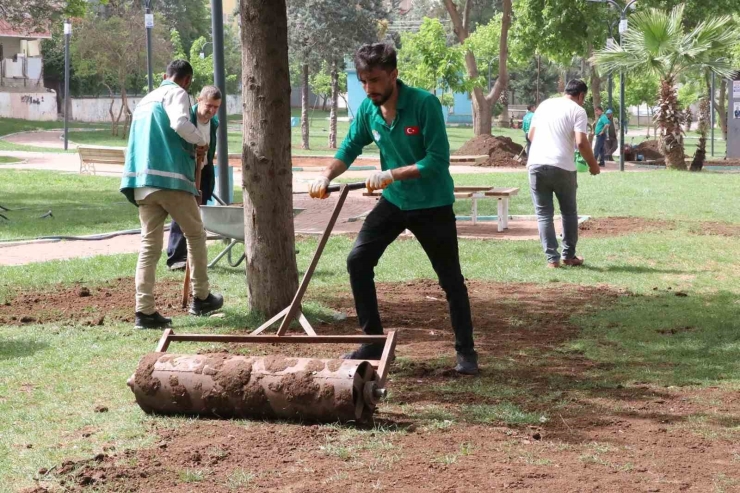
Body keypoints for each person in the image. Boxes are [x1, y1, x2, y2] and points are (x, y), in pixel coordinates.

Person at [308, 43, 478, 375]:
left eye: (375, 80)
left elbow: (437, 160)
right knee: (358, 260)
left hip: (432, 204)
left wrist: (390, 174)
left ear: (394, 75)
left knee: (450, 280)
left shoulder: (423, 104)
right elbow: (351, 145)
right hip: (395, 201)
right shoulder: (369, 109)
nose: (369, 88)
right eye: (363, 82)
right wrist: (326, 174)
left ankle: (466, 353)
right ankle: (372, 341)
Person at [120, 60, 224, 329]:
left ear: (165, 75)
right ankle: (201, 297)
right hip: (169, 180)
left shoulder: (145, 100)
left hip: (142, 182)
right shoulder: (176, 93)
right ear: (187, 81)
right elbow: (179, 122)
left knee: (148, 248)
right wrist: (201, 141)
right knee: (196, 234)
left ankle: (144, 312)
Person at [527, 79, 600, 269]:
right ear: (581, 95)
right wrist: (593, 165)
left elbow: (531, 136)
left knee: (544, 214)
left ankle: (552, 260)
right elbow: (582, 143)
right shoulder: (578, 110)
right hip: (562, 166)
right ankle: (569, 256)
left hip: (536, 164)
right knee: (568, 213)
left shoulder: (544, 105)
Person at [166, 85, 222, 271]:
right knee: (181, 212)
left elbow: (210, 146)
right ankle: (176, 258)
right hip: (186, 170)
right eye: (209, 106)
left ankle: (194, 257)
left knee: (197, 214)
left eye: (216, 107)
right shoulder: (186, 118)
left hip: (204, 171)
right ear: (199, 100)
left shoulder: (214, 123)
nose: (212, 111)